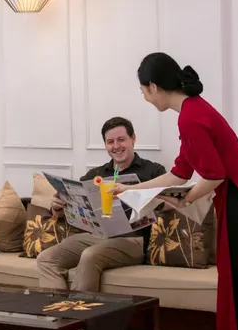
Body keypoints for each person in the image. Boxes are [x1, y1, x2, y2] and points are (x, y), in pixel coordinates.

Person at [111, 53, 238, 330]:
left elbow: (215, 174)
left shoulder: (190, 118)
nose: (145, 97)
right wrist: (130, 188)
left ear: (154, 86)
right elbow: (180, 172)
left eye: (143, 91)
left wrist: (187, 198)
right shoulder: (192, 109)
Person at [37, 116, 166, 292]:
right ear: (105, 145)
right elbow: (67, 211)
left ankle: (80, 308)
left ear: (133, 139)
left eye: (121, 139)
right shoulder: (95, 175)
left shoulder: (153, 171)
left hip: (132, 241)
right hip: (96, 236)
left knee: (90, 255)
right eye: (110, 142)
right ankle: (59, 307)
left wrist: (137, 195)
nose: (116, 146)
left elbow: (168, 203)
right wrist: (58, 206)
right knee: (46, 259)